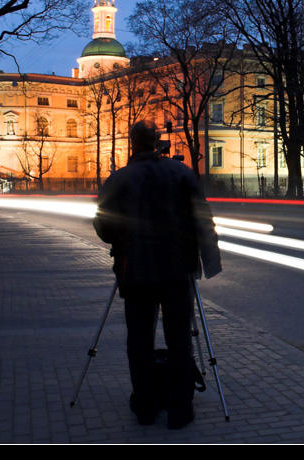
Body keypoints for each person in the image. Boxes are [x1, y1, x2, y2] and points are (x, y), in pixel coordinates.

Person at [93, 120, 222, 429]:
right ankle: (180, 409)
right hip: (178, 270)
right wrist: (209, 259)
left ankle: (145, 405)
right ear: (157, 143)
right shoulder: (182, 173)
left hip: (135, 270)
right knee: (179, 339)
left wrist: (124, 239)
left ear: (132, 144)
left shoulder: (118, 179)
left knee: (139, 339)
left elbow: (103, 227)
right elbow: (203, 219)